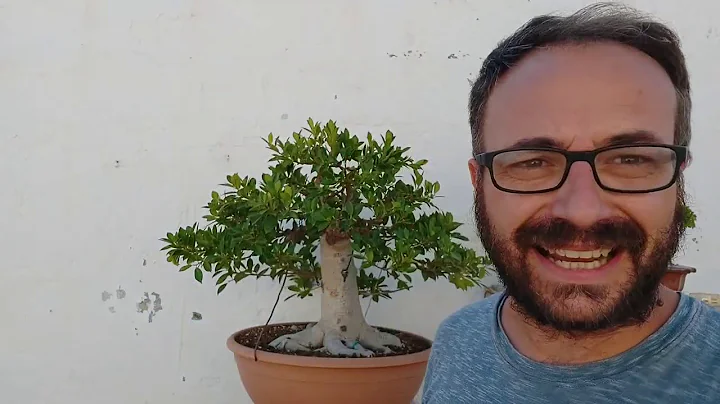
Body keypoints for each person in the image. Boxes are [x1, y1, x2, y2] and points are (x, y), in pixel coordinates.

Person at [422, 3, 720, 403]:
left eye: (631, 159)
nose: (582, 210)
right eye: (533, 163)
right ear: (480, 183)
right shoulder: (458, 339)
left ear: (677, 176)